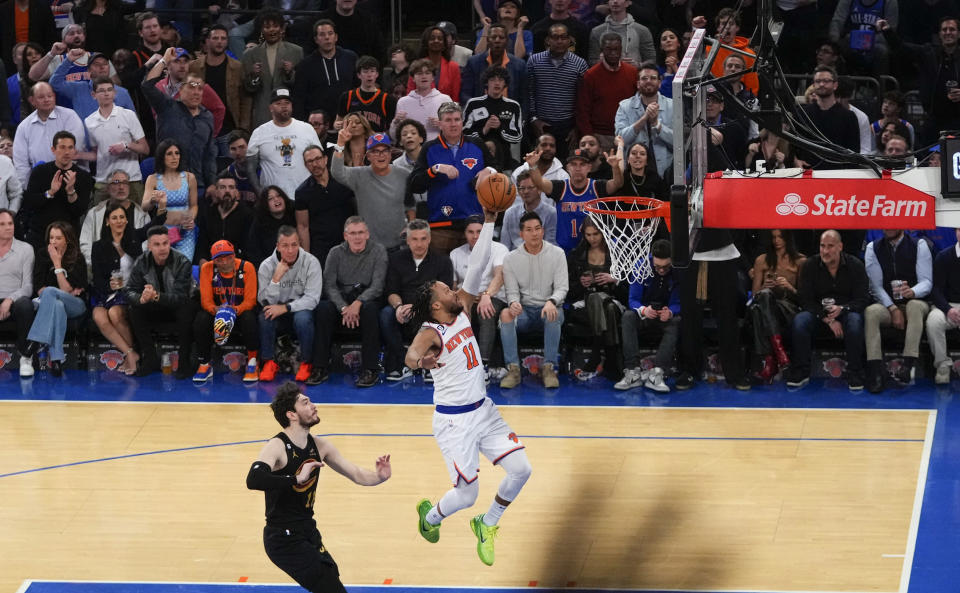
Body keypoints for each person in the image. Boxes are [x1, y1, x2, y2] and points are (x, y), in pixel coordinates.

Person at [405, 206, 531, 567]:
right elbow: (411, 356)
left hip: (483, 411)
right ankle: (430, 518)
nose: (453, 287)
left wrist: (490, 218)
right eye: (445, 287)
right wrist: (421, 362)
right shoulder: (433, 330)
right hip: (454, 422)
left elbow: (477, 266)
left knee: (522, 470)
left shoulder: (463, 307)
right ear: (435, 304)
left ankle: (487, 525)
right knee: (467, 494)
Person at [246, 381, 391, 593]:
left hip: (307, 530)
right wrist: (296, 479)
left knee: (332, 577)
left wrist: (380, 476)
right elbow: (254, 479)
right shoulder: (277, 446)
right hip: (282, 537)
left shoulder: (320, 446)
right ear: (292, 415)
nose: (314, 405)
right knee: (330, 586)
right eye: (306, 402)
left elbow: (357, 474)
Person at [787, 230, 870, 391]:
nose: (825, 251)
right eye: (822, 246)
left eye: (830, 246)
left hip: (846, 312)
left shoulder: (855, 265)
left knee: (855, 321)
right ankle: (801, 371)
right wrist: (828, 319)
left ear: (840, 247)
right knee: (800, 321)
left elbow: (862, 299)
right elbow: (805, 299)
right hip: (819, 314)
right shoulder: (810, 265)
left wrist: (843, 309)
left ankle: (855, 372)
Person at [408, 101, 496, 252]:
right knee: (443, 275)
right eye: (448, 120)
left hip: (475, 225)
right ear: (440, 124)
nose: (453, 124)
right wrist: (435, 170)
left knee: (477, 274)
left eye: (457, 119)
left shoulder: (477, 144)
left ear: (462, 122)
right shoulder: (429, 148)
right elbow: (415, 185)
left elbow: (498, 168)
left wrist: (488, 170)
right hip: (441, 228)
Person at [310, 216, 387, 387]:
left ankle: (370, 370)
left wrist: (358, 303)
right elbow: (329, 286)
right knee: (323, 309)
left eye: (360, 232)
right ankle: (319, 367)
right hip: (342, 301)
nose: (357, 237)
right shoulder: (335, 253)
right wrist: (344, 307)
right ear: (345, 236)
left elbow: (378, 286)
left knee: (371, 310)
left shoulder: (378, 251)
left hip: (367, 299)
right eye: (353, 233)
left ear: (367, 234)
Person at [500, 212, 569, 389]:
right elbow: (512, 291)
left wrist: (552, 301)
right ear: (521, 234)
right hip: (524, 311)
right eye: (529, 230)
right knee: (506, 314)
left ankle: (549, 368)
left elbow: (562, 288)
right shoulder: (510, 258)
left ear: (543, 231)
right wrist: (514, 303)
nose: (534, 233)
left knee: (552, 313)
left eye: (538, 229)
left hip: (549, 308)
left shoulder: (558, 254)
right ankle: (513, 369)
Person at [380, 219, 454, 381]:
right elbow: (391, 291)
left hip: (429, 309)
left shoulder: (442, 261)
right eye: (414, 239)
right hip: (403, 309)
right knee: (386, 314)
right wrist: (398, 307)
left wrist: (418, 307)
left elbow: (444, 295)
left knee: (440, 313)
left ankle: (431, 362)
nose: (419, 244)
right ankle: (401, 363)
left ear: (429, 239)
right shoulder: (396, 259)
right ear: (407, 240)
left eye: (423, 239)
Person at [863, 229, 932, 392]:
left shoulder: (919, 245)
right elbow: (875, 286)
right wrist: (893, 308)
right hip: (888, 304)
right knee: (871, 312)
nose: (889, 227)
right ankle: (875, 371)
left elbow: (927, 282)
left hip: (915, 301)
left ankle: (907, 365)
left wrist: (913, 291)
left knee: (914, 306)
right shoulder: (873, 248)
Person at [142, 48, 218, 191]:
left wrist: (212, 184)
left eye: (200, 89)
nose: (196, 92)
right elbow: (147, 86)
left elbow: (209, 155)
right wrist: (164, 61)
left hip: (198, 186)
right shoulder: (166, 107)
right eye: (191, 88)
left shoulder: (207, 117)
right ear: (181, 91)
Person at [124, 225, 195, 377]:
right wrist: (141, 299)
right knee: (134, 308)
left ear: (170, 243)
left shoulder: (182, 262)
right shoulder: (141, 262)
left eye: (165, 243)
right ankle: (150, 359)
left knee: (187, 307)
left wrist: (156, 296)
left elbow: (181, 297)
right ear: (149, 246)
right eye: (157, 244)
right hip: (154, 307)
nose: (162, 248)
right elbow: (129, 291)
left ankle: (184, 362)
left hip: (176, 307)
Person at [523, 146, 623, 253]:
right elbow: (540, 184)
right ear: (567, 168)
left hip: (593, 249)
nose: (578, 168)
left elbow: (618, 183)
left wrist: (615, 167)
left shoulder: (597, 186)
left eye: (582, 164)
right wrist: (532, 165)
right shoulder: (561, 187)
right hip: (565, 249)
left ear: (589, 167)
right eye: (574, 164)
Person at [257, 225, 323, 383]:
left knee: (303, 318)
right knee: (265, 315)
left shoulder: (311, 262)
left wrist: (286, 307)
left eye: (294, 244)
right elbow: (264, 301)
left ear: (299, 243)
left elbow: (313, 299)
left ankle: (306, 363)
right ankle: (268, 362)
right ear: (278, 247)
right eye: (285, 246)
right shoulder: (266, 266)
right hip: (276, 308)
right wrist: (276, 279)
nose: (291, 250)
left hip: (300, 309)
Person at [565, 217, 627, 380]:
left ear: (604, 232)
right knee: (598, 301)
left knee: (609, 305)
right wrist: (581, 284)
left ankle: (596, 353)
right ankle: (612, 359)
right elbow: (568, 290)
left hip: (614, 299)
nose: (592, 239)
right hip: (584, 304)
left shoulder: (617, 253)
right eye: (588, 235)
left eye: (596, 234)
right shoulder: (576, 255)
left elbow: (630, 288)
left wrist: (615, 280)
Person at [615, 238, 681, 392]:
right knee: (628, 316)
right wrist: (644, 310)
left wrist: (671, 311)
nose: (662, 270)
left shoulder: (679, 270)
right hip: (644, 314)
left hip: (664, 316)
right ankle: (633, 371)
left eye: (666, 267)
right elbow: (632, 300)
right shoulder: (640, 266)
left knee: (677, 321)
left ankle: (657, 373)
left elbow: (679, 301)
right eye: (658, 267)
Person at [450, 215, 509, 378]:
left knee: (485, 311)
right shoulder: (456, 254)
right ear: (465, 233)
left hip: (493, 297)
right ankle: (456, 364)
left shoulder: (499, 249)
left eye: (479, 232)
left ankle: (483, 365)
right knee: (455, 314)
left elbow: (500, 276)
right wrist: (462, 302)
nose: (475, 236)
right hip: (466, 297)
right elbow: (453, 287)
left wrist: (486, 295)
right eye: (470, 232)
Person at [23, 221, 85, 377]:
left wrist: (57, 264)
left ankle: (34, 341)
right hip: (50, 303)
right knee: (56, 304)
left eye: (58, 238)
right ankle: (57, 360)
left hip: (76, 305)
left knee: (51, 291)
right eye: (51, 238)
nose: (53, 242)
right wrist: (63, 291)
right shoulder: (43, 255)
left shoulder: (78, 257)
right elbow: (41, 289)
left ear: (67, 239)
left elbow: (67, 290)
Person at [192, 239, 259, 384]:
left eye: (229, 257)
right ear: (214, 260)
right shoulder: (207, 269)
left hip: (240, 312)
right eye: (220, 259)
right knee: (201, 318)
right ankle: (204, 363)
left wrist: (234, 310)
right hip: (217, 313)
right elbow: (206, 301)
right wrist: (216, 310)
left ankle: (252, 362)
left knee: (250, 317)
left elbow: (251, 300)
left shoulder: (247, 267)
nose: (225, 262)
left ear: (234, 255)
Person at [331, 131, 409, 252]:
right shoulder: (359, 175)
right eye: (375, 151)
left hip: (400, 245)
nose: (381, 155)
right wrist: (340, 144)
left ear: (390, 154)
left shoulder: (403, 174)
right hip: (370, 248)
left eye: (384, 151)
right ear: (368, 156)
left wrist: (411, 225)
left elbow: (412, 204)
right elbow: (337, 172)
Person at [89, 199, 142, 375]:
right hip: (105, 292)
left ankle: (130, 358)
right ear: (107, 221)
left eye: (122, 217)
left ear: (127, 220)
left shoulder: (134, 243)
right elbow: (97, 278)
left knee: (114, 314)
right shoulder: (98, 246)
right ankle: (131, 354)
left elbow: (141, 273)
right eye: (114, 217)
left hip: (128, 292)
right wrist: (109, 285)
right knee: (99, 317)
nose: (119, 221)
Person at [748, 230, 805, 384]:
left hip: (789, 307)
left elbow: (804, 298)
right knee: (762, 300)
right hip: (767, 304)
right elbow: (755, 296)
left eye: (780, 237)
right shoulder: (762, 260)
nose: (776, 241)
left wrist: (788, 287)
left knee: (758, 311)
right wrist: (763, 287)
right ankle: (780, 354)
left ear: (788, 238)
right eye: (773, 237)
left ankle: (770, 361)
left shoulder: (800, 261)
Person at [246, 87, 322, 202]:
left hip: (306, 196)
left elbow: (320, 162)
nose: (284, 106)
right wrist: (260, 193)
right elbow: (250, 167)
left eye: (287, 102)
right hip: (274, 200)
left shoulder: (306, 128)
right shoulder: (259, 133)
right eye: (278, 103)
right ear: (270, 108)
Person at [21, 130, 93, 249]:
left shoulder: (83, 176)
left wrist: (71, 191)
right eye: (62, 147)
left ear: (74, 151)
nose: (66, 152)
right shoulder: (40, 171)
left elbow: (79, 211)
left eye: (70, 148)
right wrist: (50, 192)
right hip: (41, 235)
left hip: (69, 237)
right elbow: (30, 203)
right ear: (53, 150)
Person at [527, 23, 588, 160]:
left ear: (570, 40)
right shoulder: (534, 61)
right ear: (548, 40)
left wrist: (577, 127)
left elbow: (583, 99)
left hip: (567, 126)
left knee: (566, 167)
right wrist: (533, 119)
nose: (559, 41)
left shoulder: (580, 64)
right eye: (555, 37)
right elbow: (529, 92)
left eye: (563, 37)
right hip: (540, 125)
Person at [84, 77, 149, 206]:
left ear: (114, 93)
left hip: (131, 179)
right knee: (101, 222)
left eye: (109, 90)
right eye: (101, 91)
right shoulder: (89, 121)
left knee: (138, 222)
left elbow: (145, 149)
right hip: (104, 181)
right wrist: (78, 155)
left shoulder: (128, 115)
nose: (106, 93)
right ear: (93, 95)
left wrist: (126, 145)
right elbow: (97, 152)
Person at [190, 24, 252, 156]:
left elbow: (245, 99)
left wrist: (243, 128)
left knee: (229, 169)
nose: (219, 42)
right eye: (215, 38)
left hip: (229, 129)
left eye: (223, 38)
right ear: (207, 41)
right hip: (202, 129)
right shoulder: (194, 67)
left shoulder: (237, 67)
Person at [13, 82, 87, 187]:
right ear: (32, 101)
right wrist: (28, 188)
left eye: (50, 96)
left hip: (71, 179)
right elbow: (21, 164)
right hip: (39, 183)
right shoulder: (24, 127)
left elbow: (74, 151)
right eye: (41, 97)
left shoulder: (70, 116)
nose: (47, 99)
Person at [294, 145, 357, 266]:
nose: (315, 164)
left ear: (326, 159)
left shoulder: (343, 181)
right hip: (321, 247)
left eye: (318, 159)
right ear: (306, 165)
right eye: (310, 161)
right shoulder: (302, 192)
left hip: (349, 242)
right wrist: (307, 257)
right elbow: (302, 226)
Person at [241, 10, 303, 129]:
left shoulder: (296, 52)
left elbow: (300, 86)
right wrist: (254, 76)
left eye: (275, 26)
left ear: (282, 28)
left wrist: (290, 73)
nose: (272, 30)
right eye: (267, 27)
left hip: (289, 115)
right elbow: (247, 89)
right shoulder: (249, 55)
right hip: (261, 114)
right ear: (261, 29)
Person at [577, 32, 639, 148]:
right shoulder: (591, 76)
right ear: (602, 50)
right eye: (609, 49)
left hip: (627, 133)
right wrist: (589, 137)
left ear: (621, 49)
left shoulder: (632, 72)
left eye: (616, 49)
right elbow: (583, 110)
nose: (613, 53)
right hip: (600, 136)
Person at [615, 63, 674, 179]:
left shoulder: (673, 106)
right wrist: (643, 119)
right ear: (638, 84)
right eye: (644, 78)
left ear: (659, 82)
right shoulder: (624, 106)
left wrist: (656, 125)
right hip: (634, 172)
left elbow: (678, 143)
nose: (648, 81)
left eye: (653, 78)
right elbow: (620, 140)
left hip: (665, 172)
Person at [291, 19, 357, 123]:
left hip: (347, 120)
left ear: (336, 37)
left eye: (330, 33)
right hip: (317, 124)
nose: (327, 37)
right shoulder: (305, 65)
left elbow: (357, 88)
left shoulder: (350, 58)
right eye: (322, 34)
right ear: (316, 39)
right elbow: (299, 98)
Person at [144, 140, 198, 262]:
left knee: (183, 268)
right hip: (162, 234)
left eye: (177, 153)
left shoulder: (190, 177)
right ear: (162, 156)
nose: (174, 157)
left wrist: (191, 218)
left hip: (185, 232)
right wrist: (152, 200)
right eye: (169, 154)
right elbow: (144, 207)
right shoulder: (152, 179)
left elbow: (194, 206)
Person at [0, 209, 37, 377]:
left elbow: (28, 287)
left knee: (25, 304)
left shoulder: (26, 249)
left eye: (10, 223)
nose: (8, 227)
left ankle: (25, 358)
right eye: (2, 224)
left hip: (15, 300)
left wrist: (9, 299)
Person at [459, 23, 528, 114]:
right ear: (487, 40)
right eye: (493, 37)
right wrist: (477, 111)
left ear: (507, 40)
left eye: (501, 37)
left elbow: (524, 98)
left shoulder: (519, 65)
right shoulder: (474, 63)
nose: (497, 40)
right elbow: (465, 94)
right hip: (480, 115)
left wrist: (520, 120)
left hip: (509, 116)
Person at [463, 66, 523, 168]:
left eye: (500, 80)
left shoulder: (513, 106)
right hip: (476, 157)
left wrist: (500, 128)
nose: (497, 83)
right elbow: (463, 133)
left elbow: (517, 136)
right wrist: (484, 130)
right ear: (487, 82)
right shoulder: (473, 103)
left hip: (504, 158)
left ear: (505, 84)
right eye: (493, 79)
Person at [50, 50, 135, 121]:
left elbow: (133, 122)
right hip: (86, 140)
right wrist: (68, 61)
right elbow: (54, 84)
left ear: (109, 68)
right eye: (97, 64)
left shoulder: (122, 93)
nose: (102, 67)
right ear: (89, 70)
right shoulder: (78, 89)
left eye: (105, 64)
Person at [927, 228, 960, 385]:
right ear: (956, 232)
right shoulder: (944, 256)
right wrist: (948, 309)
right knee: (933, 320)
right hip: (948, 305)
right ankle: (942, 366)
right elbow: (936, 289)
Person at [196, 174, 254, 264]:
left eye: (231, 187)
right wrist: (202, 260)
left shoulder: (247, 214)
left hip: (237, 264)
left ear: (236, 192)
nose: (227, 191)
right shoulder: (208, 213)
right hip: (211, 263)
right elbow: (202, 243)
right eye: (222, 187)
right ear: (216, 191)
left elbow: (249, 248)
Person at [393, 58, 452, 141]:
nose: (424, 76)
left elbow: (454, 132)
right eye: (419, 73)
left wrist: (442, 125)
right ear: (413, 78)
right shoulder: (403, 102)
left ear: (433, 77)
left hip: (439, 148)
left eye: (427, 73)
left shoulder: (445, 100)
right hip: (412, 150)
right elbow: (394, 137)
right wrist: (395, 122)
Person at [335, 55, 396, 134]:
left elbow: (391, 129)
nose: (369, 75)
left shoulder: (388, 99)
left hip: (376, 143)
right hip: (353, 141)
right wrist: (337, 125)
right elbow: (337, 122)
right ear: (359, 75)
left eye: (372, 71)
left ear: (377, 74)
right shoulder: (347, 97)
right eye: (365, 71)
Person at [500, 170, 557, 250]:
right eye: (522, 188)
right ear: (519, 192)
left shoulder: (551, 213)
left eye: (530, 188)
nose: (526, 191)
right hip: (514, 259)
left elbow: (551, 247)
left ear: (540, 189)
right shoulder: (510, 213)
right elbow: (504, 247)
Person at [588, 0, 655, 66]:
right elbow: (592, 61)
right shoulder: (596, 31)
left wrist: (638, 65)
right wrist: (602, 62)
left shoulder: (642, 30)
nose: (615, 1)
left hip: (633, 74)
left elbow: (652, 60)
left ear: (628, 2)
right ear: (608, 3)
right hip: (606, 75)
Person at [246, 185, 296, 268]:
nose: (276, 199)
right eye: (270, 199)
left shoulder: (295, 214)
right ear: (265, 205)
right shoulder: (259, 223)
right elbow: (254, 252)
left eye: (278, 195)